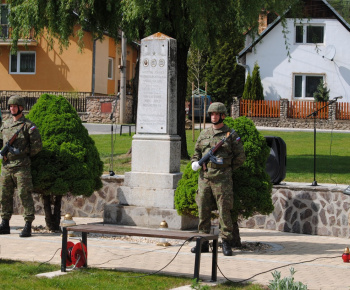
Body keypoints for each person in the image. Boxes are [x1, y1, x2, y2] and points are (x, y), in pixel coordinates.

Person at [191, 102, 246, 256]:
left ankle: (226, 243)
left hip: (223, 180)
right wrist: (195, 162)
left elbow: (240, 157)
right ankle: (202, 242)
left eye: (216, 114)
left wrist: (226, 168)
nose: (213, 116)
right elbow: (196, 152)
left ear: (223, 115)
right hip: (205, 179)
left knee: (224, 211)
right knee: (203, 209)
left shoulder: (231, 135)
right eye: (212, 114)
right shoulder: (204, 134)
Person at [0, 95, 42, 237]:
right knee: (4, 195)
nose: (12, 108)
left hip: (21, 167)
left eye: (15, 106)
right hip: (6, 166)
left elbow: (37, 147)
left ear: (21, 108)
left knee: (24, 194)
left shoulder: (28, 126)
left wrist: (22, 153)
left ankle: (28, 224)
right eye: (10, 106)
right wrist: (3, 153)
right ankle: (5, 223)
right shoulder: (5, 124)